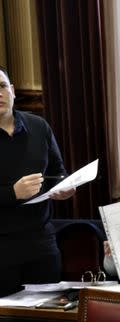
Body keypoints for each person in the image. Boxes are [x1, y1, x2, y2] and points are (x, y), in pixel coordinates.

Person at [0, 66, 75, 296]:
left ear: (12, 90)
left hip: (41, 242)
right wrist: (12, 193)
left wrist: (64, 188)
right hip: (3, 247)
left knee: (48, 317)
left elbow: (58, 172)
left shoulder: (38, 126)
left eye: (2, 87)